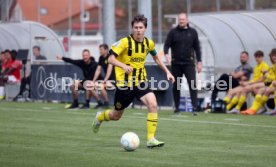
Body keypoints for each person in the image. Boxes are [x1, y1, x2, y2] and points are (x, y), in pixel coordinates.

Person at [92, 14, 175, 148]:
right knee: (116, 115)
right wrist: (123, 66)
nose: (138, 30)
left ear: (145, 28)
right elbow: (110, 59)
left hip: (141, 81)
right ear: (132, 28)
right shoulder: (124, 42)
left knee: (153, 104)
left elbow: (156, 58)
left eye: (140, 27)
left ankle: (151, 139)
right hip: (124, 85)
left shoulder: (149, 43)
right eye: (135, 27)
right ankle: (100, 117)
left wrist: (168, 72)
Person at [164, 13, 202, 115]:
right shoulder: (173, 32)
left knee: (192, 85)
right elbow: (166, 45)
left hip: (189, 63)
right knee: (176, 86)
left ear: (187, 20)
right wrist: (166, 54)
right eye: (180, 19)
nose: (181, 21)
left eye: (183, 19)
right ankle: (177, 108)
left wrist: (199, 62)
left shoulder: (193, 32)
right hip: (176, 63)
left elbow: (197, 48)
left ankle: (194, 107)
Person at [241, 48, 276, 115]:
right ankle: (254, 109)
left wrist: (250, 83)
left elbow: (263, 79)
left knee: (250, 87)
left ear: (262, 57)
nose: (257, 58)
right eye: (273, 55)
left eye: (259, 57)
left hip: (265, 83)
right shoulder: (257, 66)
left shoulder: (264, 65)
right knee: (254, 89)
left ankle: (237, 108)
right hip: (268, 83)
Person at [92, 44, 115, 108]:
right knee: (90, 85)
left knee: (100, 86)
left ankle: (106, 103)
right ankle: (99, 102)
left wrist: (104, 80)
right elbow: (98, 70)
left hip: (114, 81)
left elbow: (109, 70)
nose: (100, 51)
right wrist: (93, 81)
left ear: (106, 50)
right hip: (107, 81)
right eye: (99, 50)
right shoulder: (101, 58)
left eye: (101, 50)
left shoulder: (110, 57)